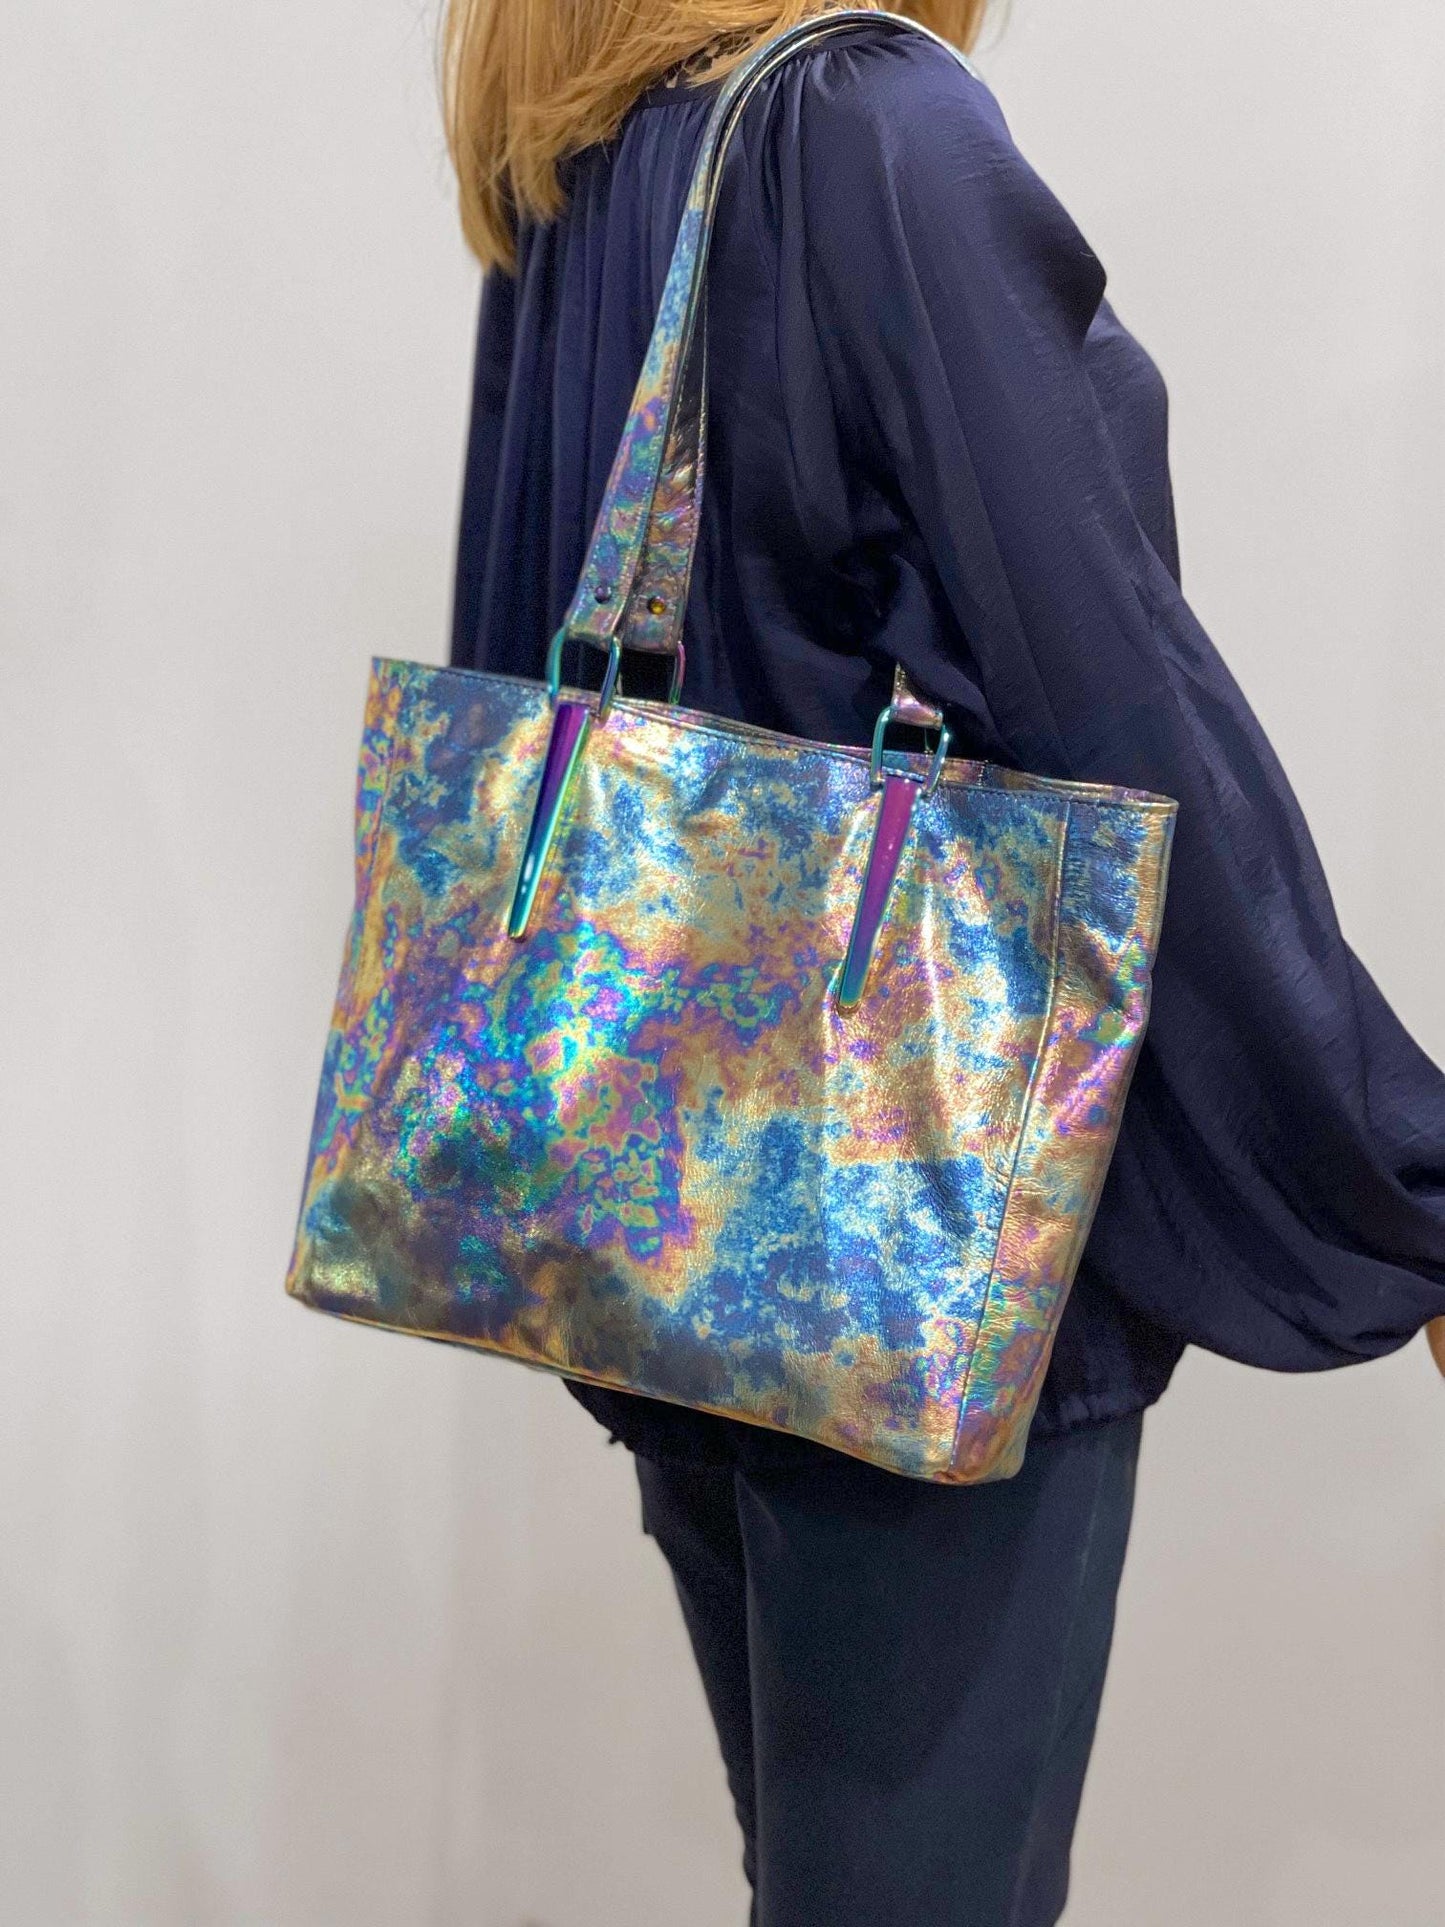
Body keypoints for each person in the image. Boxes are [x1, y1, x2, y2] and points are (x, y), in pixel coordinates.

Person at [444, 4, 1445, 1920]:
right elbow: (1118, 708)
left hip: (659, 1226)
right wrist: (1392, 1170)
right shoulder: (875, 128)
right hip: (930, 1249)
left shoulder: (579, 141)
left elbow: (532, 656)